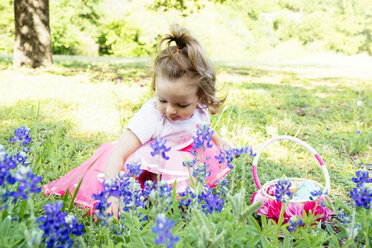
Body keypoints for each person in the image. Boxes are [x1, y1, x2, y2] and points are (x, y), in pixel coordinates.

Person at [43, 25, 231, 217]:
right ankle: (156, 203)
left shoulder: (199, 108)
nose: (170, 110)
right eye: (162, 99)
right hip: (143, 165)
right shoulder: (152, 116)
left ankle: (179, 204)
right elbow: (119, 154)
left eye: (181, 105)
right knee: (142, 193)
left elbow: (201, 127)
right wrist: (112, 194)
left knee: (190, 171)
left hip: (181, 158)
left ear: (201, 96)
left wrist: (218, 141)